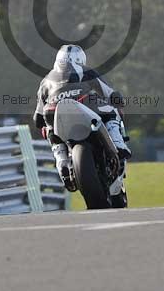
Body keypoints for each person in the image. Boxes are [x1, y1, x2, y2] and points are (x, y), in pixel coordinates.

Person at [33, 45, 130, 190]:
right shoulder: (86, 72)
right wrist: (118, 101)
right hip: (84, 103)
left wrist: (45, 125)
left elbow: (38, 118)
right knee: (111, 111)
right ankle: (118, 144)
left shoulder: (46, 80)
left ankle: (61, 161)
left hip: (53, 111)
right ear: (80, 59)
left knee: (49, 129)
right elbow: (109, 93)